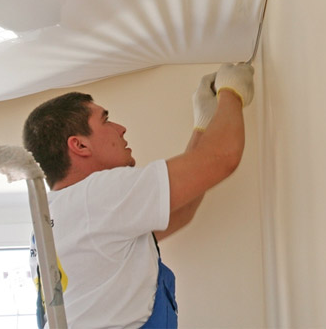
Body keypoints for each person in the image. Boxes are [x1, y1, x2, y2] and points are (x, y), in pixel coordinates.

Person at [24, 62, 254, 329]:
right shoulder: (97, 195)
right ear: (80, 144)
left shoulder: (56, 214)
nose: (121, 128)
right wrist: (231, 91)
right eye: (106, 120)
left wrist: (203, 127)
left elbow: (178, 212)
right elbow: (222, 157)